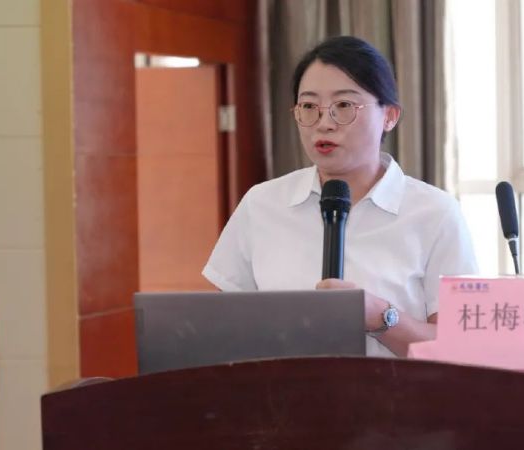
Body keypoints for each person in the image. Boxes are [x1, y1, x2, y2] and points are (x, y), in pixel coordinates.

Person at [203, 35, 477, 357]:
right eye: (309, 107)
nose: (324, 124)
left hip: (395, 390)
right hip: (284, 388)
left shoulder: (435, 213)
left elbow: (459, 351)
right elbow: (222, 331)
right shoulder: (262, 204)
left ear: (389, 115)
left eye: (344, 106)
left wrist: (379, 316)